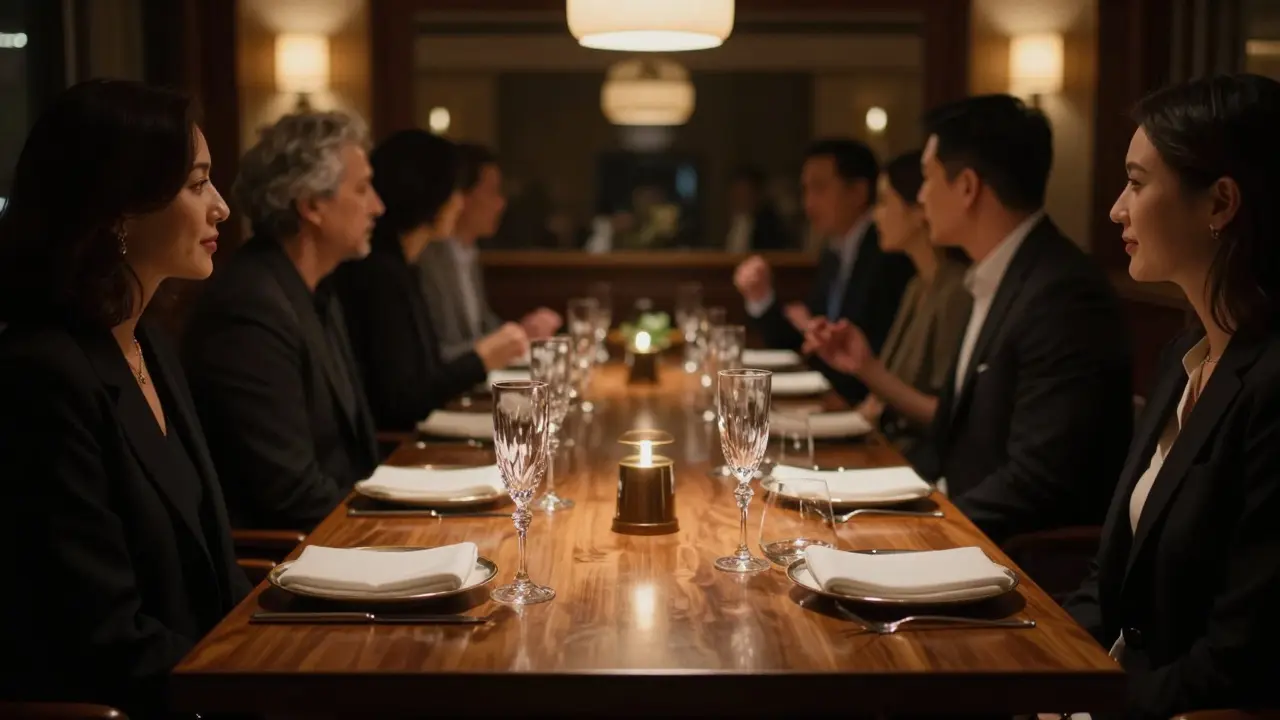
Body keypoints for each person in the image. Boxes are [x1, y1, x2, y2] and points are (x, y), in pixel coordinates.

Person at [0, 79, 247, 716]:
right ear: (118, 208)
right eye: (198, 184)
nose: (221, 207)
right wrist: (257, 679)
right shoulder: (42, 375)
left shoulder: (150, 344)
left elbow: (214, 572)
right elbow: (101, 638)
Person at [1060, 74, 1280, 719]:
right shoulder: (1183, 357)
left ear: (1220, 203)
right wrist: (1038, 668)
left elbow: (1241, 660)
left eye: (1136, 183)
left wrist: (1081, 700)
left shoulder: (1271, 386)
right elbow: (1111, 579)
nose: (1116, 210)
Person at [908, 95, 1133, 543]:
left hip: (1014, 556)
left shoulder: (1062, 293)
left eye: (928, 178)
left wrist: (923, 527)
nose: (920, 196)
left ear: (967, 187)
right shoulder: (995, 274)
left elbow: (1042, 477)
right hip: (966, 529)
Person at [184, 111, 384, 531]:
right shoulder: (250, 306)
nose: (377, 207)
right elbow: (290, 493)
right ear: (311, 205)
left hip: (345, 528)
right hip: (300, 551)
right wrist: (394, 527)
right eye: (362, 189)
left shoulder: (315, 289)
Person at [327, 130, 528, 431]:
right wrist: (481, 359)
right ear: (430, 193)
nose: (460, 203)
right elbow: (405, 400)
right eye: (454, 191)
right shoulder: (379, 274)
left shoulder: (403, 266)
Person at [803, 150, 971, 457]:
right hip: (888, 448)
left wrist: (866, 368)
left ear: (919, 211)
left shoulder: (956, 291)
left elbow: (947, 416)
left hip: (915, 461)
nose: (876, 215)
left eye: (883, 202)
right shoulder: (917, 285)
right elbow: (878, 401)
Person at [733, 138, 914, 404]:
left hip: (866, 405)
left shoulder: (888, 253)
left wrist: (811, 329)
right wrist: (761, 298)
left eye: (819, 188)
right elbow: (803, 345)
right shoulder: (834, 252)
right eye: (805, 190)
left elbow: (859, 361)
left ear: (858, 192)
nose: (808, 203)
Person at [418, 143, 561, 360]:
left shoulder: (468, 253)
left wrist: (522, 332)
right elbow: (441, 351)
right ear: (462, 197)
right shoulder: (428, 260)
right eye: (492, 192)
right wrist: (517, 336)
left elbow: (483, 330)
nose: (501, 203)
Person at [725, 166, 791, 252]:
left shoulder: (769, 226)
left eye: (744, 194)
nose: (739, 199)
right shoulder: (738, 222)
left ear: (757, 194)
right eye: (736, 194)